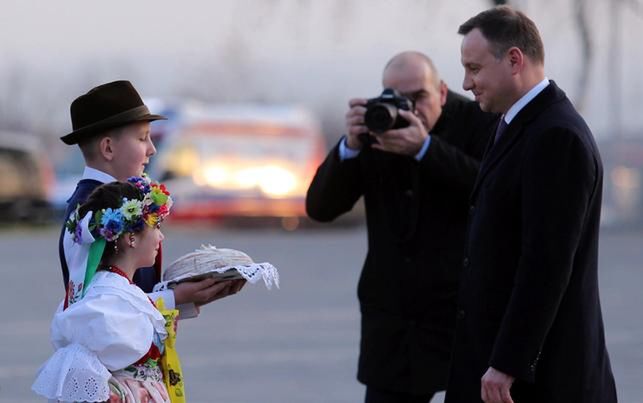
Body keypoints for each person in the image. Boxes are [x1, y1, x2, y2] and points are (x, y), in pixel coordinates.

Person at [445, 6, 617, 403]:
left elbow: (547, 264)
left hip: (537, 380)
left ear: (514, 60)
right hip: (499, 369)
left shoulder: (556, 136)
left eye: (474, 68)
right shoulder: (514, 124)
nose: (467, 83)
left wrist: (509, 362)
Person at [306, 51, 496, 402]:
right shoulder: (376, 128)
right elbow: (320, 208)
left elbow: (494, 194)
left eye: (418, 97)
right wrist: (349, 147)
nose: (408, 108)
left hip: (463, 312)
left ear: (441, 92)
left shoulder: (480, 122)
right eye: (396, 97)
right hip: (393, 317)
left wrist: (425, 149)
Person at [58, 80, 243, 317]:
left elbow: (134, 290)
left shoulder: (124, 199)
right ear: (108, 149)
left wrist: (190, 292)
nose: (152, 149)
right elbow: (97, 309)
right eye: (142, 138)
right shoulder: (88, 214)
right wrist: (176, 297)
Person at [33, 177, 178, 402]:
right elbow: (84, 366)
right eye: (156, 226)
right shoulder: (106, 300)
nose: (161, 236)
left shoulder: (116, 291)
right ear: (131, 237)